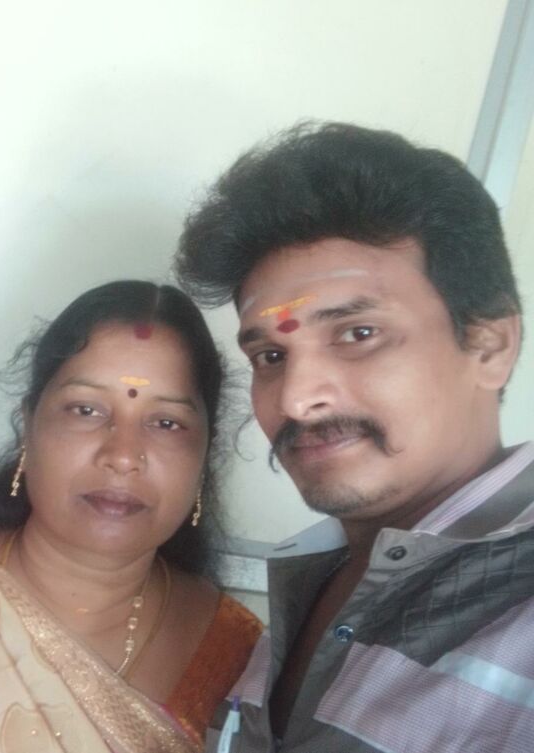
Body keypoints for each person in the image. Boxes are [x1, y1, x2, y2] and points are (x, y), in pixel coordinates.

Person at [175, 123, 534, 752]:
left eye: (357, 334)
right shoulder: (312, 574)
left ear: (489, 345)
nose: (295, 399)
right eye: (270, 356)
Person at [0, 280, 262, 753]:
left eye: (166, 422)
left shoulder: (236, 657)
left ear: (204, 456)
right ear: (28, 426)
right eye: (86, 410)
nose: (123, 455)